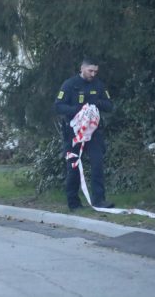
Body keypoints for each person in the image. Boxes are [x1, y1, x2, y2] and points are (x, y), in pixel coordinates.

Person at [54, 58, 114, 210]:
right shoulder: (70, 84)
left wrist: (97, 103)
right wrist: (77, 110)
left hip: (93, 132)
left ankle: (99, 200)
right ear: (82, 68)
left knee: (97, 164)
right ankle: (74, 203)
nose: (93, 74)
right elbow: (58, 106)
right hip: (73, 132)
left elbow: (109, 105)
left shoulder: (99, 85)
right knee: (73, 166)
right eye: (90, 71)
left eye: (95, 71)